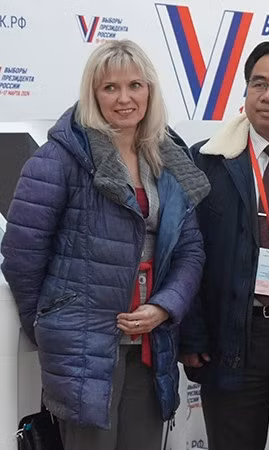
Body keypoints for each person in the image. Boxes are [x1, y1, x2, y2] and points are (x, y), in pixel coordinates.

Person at [0, 39, 209, 450]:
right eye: (110, 87)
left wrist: (164, 306)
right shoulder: (59, 158)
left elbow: (190, 250)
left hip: (151, 343)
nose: (125, 98)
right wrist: (52, 323)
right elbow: (22, 255)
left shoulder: (169, 157)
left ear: (150, 91)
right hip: (84, 349)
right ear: (92, 94)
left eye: (135, 85)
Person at [178, 41, 269, 450]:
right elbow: (186, 253)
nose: (267, 96)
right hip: (230, 338)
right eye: (258, 83)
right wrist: (192, 335)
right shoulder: (206, 161)